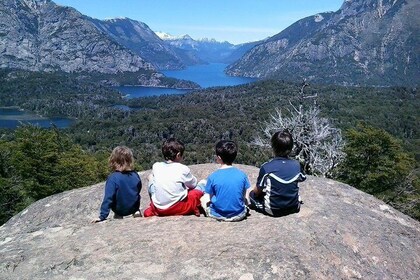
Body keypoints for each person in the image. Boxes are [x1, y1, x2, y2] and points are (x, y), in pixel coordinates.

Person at [248, 130, 306, 217]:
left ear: (273, 148)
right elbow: (302, 178)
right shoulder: (297, 165)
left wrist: (252, 192)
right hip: (294, 207)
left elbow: (258, 191)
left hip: (273, 210)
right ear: (291, 148)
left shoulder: (266, 167)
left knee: (252, 195)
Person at [144, 138, 204, 217]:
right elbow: (193, 184)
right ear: (178, 155)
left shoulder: (156, 166)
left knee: (152, 180)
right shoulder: (182, 168)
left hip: (159, 209)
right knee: (200, 188)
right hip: (179, 207)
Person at [201, 140, 250, 222]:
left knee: (203, 198)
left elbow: (208, 196)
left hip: (217, 214)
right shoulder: (242, 175)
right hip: (239, 214)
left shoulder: (213, 176)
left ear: (219, 158)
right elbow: (245, 194)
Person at [94, 146, 142, 222]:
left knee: (116, 200)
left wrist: (102, 216)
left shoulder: (113, 178)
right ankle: (136, 212)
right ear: (130, 160)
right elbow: (138, 189)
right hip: (134, 207)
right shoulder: (135, 175)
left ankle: (118, 216)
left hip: (120, 210)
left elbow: (108, 198)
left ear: (114, 160)